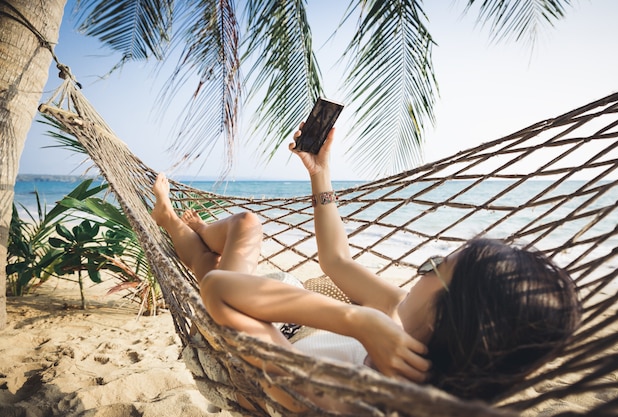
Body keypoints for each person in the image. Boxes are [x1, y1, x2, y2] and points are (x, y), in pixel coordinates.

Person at [150, 124, 581, 409]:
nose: (419, 271)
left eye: (434, 266)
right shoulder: (404, 318)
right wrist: (321, 174)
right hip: (272, 296)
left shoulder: (338, 397)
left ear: (452, 315)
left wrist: (357, 320)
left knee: (235, 238)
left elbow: (219, 294)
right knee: (232, 241)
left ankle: (173, 223)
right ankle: (190, 233)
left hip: (241, 319)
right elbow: (336, 260)